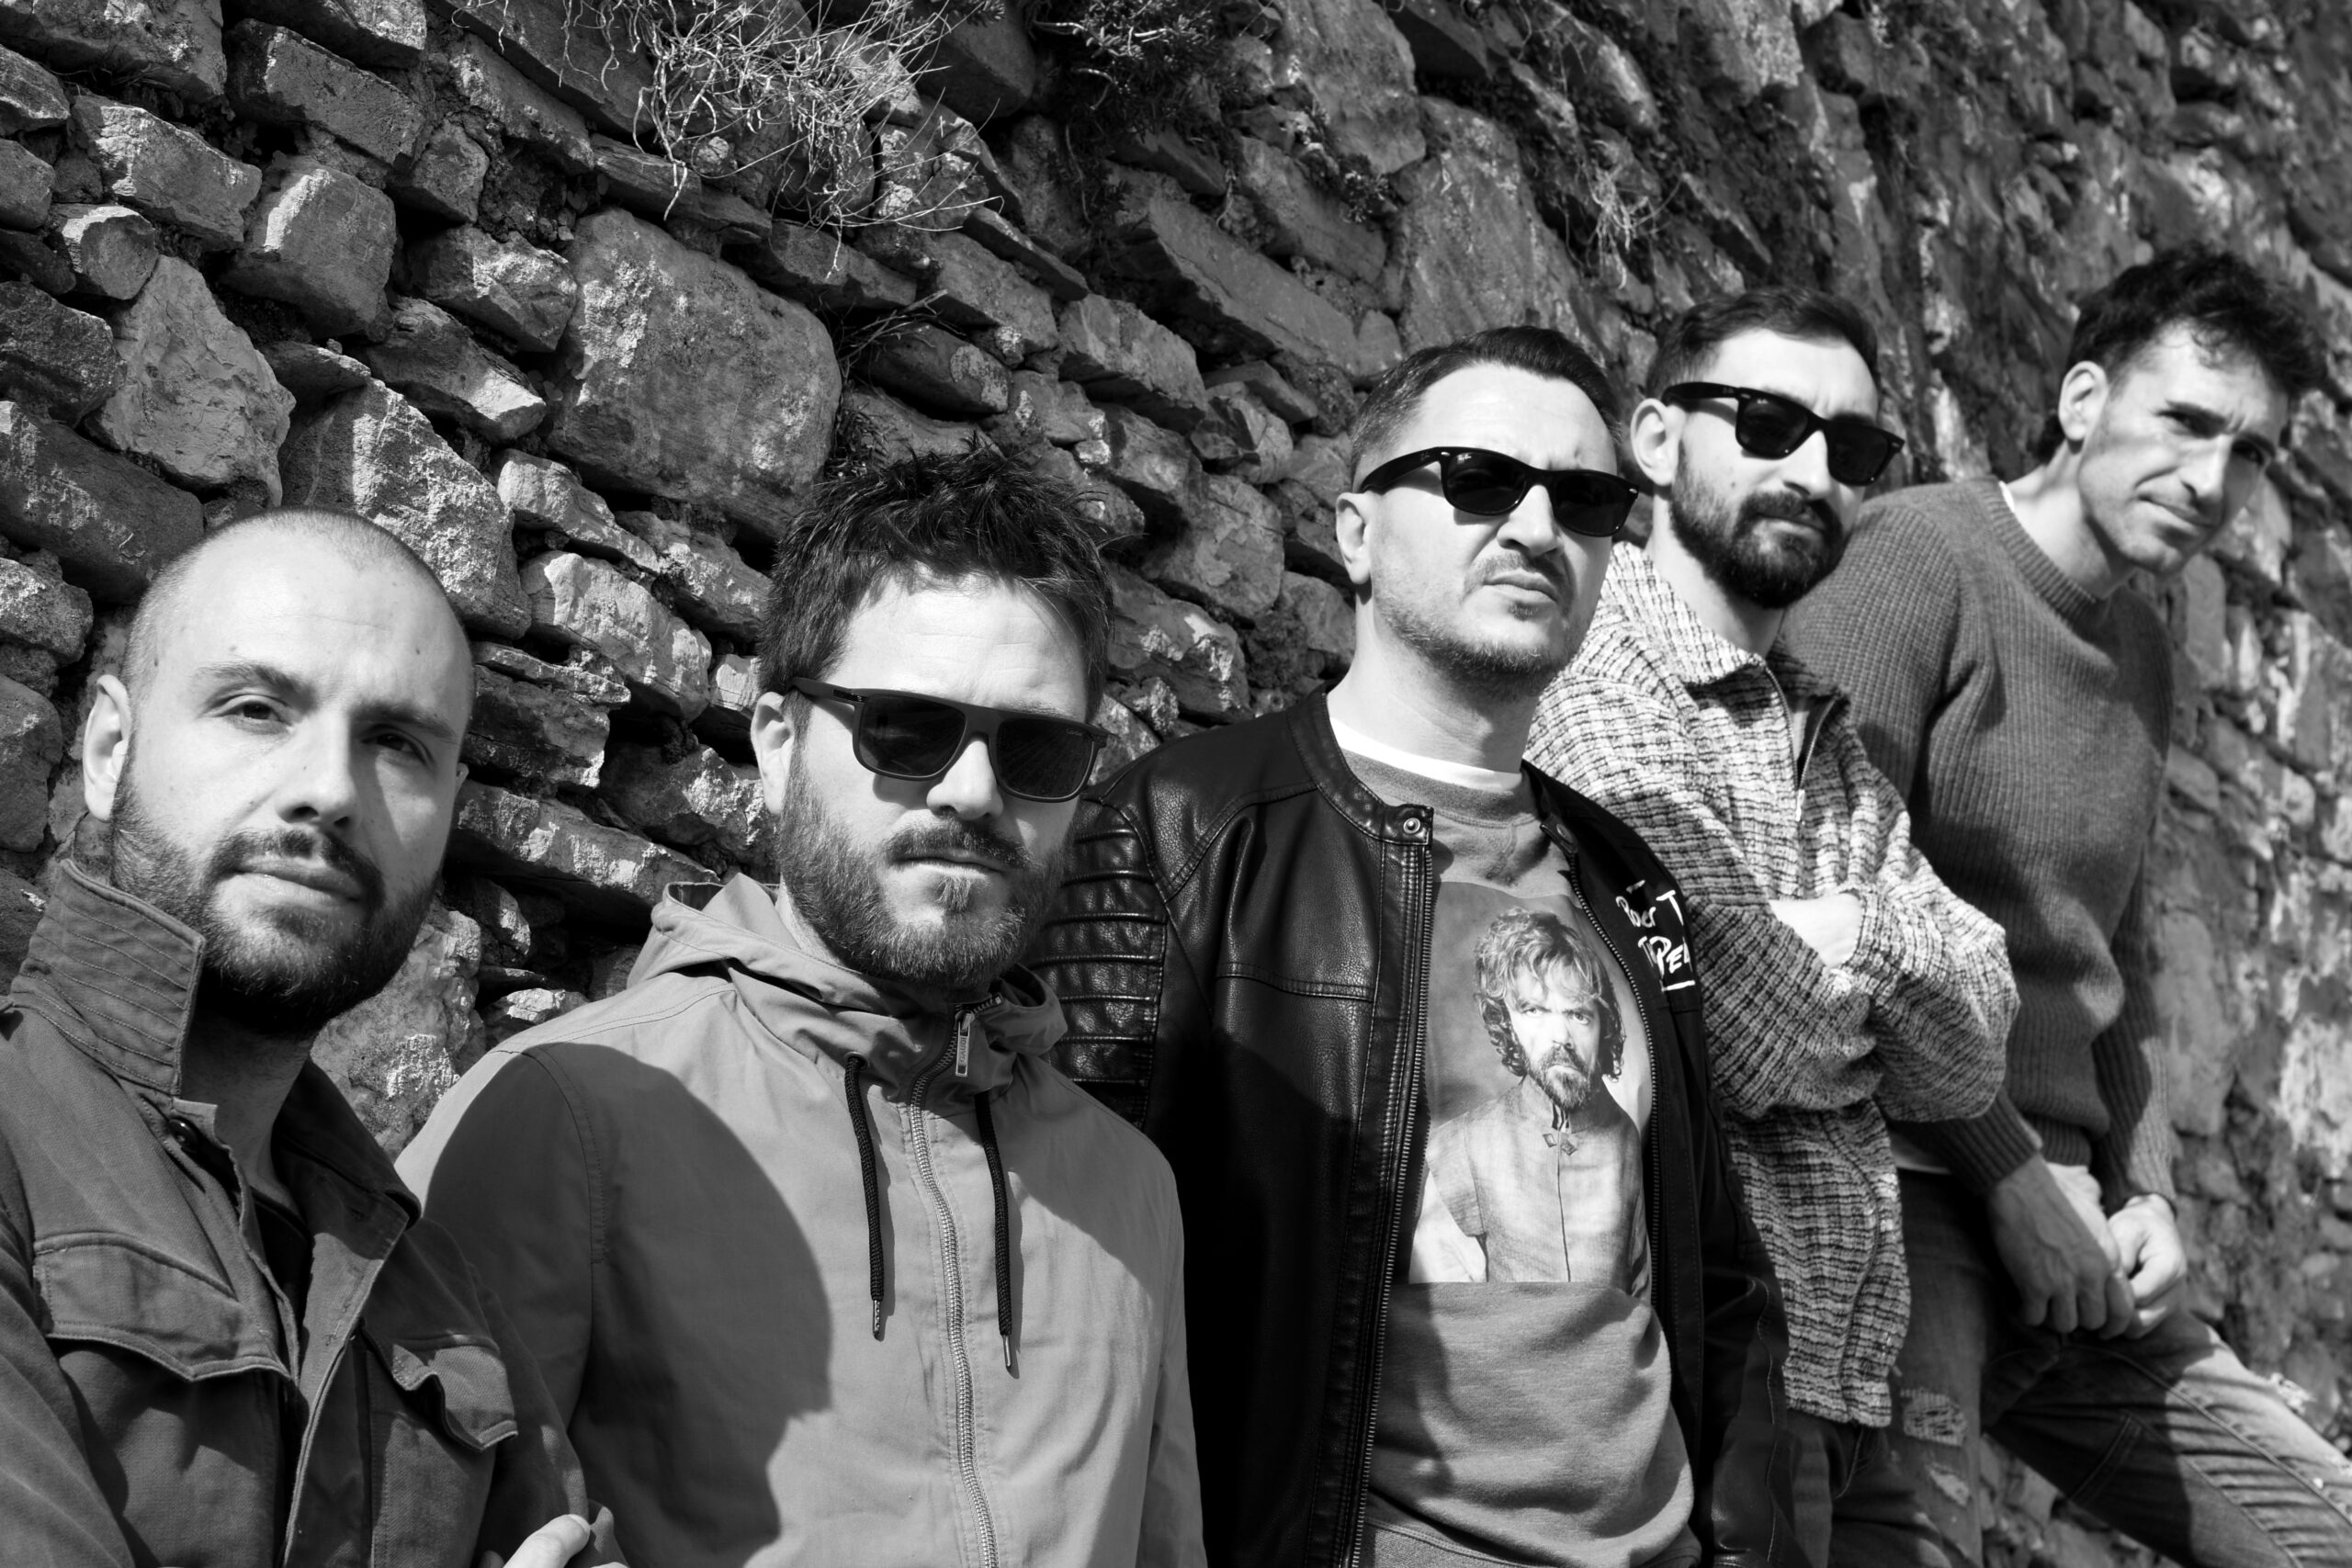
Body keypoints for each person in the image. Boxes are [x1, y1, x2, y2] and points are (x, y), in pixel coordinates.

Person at [1031, 325, 1800, 1568]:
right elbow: (1064, 1266)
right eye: (1480, 480)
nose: (1538, 528)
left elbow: (1717, 1272)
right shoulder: (1181, 831)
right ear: (1355, 532)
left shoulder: (1627, 880)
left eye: (1586, 500)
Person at [401, 448, 1204, 1568]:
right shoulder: (564, 1118)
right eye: (907, 729)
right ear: (776, 745)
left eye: (1038, 747)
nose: (975, 792)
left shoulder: (1128, 1191)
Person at [1784, 246, 2352, 1564]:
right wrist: (2006, 1172)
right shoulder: (1915, 557)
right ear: (2083, 399)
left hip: (2079, 1228)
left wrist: (2146, 1192)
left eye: (2250, 452)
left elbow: (2117, 962)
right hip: (1906, 1182)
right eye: (2186, 422)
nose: (2212, 481)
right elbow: (1823, 892)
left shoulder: (2140, 646)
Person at [0, 511, 614, 1566]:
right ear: (108, 749)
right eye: (256, 709)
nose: (330, 791)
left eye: (398, 744)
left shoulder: (435, 1288)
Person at [1525, 288, 2018, 1565]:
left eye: (1850, 447)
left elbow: (1973, 1050)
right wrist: (1886, 960)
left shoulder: (1826, 734)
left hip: (1848, 1378)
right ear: (1654, 439)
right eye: (1765, 423)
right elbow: (1741, 1034)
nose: (1812, 470)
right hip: (1710, 1362)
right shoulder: (1594, 669)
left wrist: (1839, 927)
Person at [1422, 908, 1645, 1288]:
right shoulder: (1461, 1146)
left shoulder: (1626, 1137)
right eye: (1535, 1010)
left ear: (1602, 1026)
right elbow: (1441, 1307)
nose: (1560, 1036)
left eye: (1578, 1014)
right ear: (1508, 1021)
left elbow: (1642, 1293)